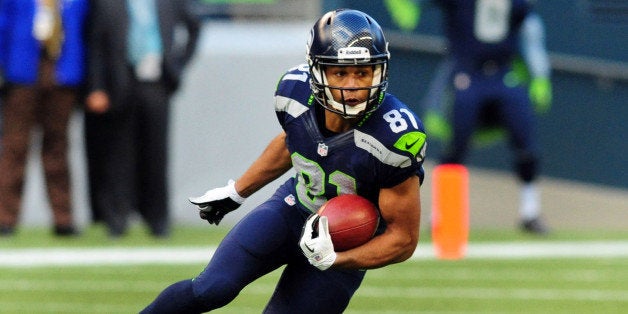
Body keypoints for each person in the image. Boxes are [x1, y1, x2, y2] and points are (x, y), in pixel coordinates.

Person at [141, 8, 426, 313]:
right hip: (291, 210)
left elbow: (403, 238)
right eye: (340, 72)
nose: (353, 85)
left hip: (344, 241)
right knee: (212, 288)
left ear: (379, 72)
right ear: (317, 72)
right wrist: (237, 191)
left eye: (363, 72)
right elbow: (292, 143)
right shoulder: (294, 92)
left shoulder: (395, 136)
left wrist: (336, 259)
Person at [422, 0, 552, 234]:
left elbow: (531, 29)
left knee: (526, 142)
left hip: (504, 74)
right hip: (467, 74)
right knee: (457, 145)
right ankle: (443, 213)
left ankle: (530, 211)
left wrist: (540, 74)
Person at [84, 0, 200, 238]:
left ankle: (157, 218)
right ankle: (117, 217)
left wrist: (176, 66)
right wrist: (97, 87)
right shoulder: (108, 4)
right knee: (118, 155)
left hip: (156, 82)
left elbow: (194, 26)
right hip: (119, 82)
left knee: (156, 154)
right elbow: (95, 43)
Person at [0, 0, 88, 237]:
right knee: (14, 147)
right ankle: (5, 217)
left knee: (58, 147)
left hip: (62, 71)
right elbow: (3, 24)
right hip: (21, 72)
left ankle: (63, 218)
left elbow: (86, 29)